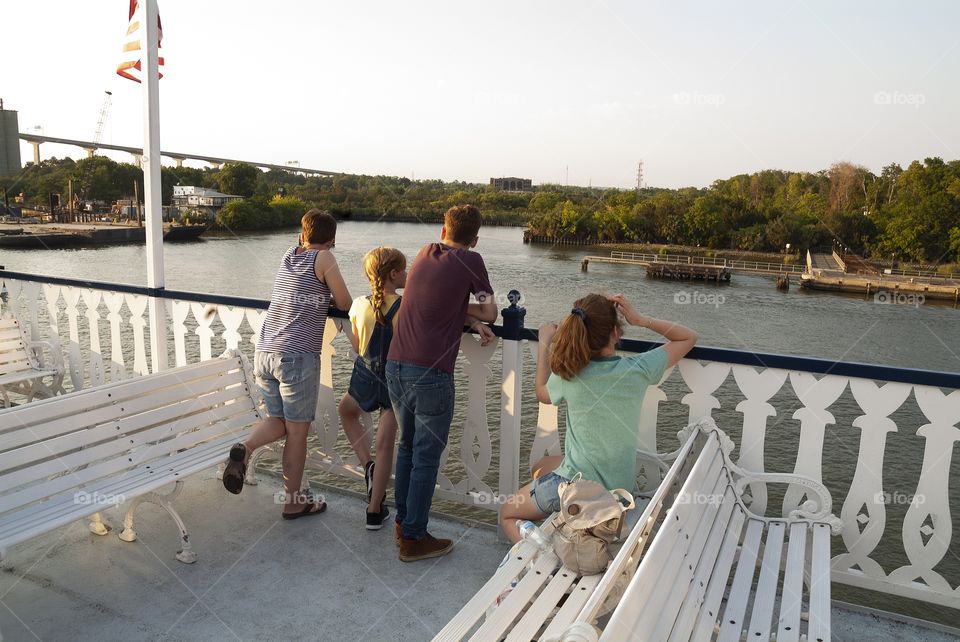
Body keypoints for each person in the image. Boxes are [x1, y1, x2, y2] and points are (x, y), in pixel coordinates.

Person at [498, 293, 698, 543]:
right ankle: (566, 528)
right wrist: (639, 319)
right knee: (540, 465)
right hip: (618, 490)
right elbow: (688, 337)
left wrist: (545, 344)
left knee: (507, 512)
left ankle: (537, 558)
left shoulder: (570, 374)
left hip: (576, 490)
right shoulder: (638, 369)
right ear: (615, 332)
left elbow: (541, 392)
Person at [222, 209, 351, 519]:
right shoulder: (325, 258)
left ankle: (245, 448)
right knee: (296, 433)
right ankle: (293, 502)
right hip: (296, 357)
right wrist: (327, 300)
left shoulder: (289, 255)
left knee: (279, 421)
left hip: (265, 351)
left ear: (301, 235)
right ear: (330, 241)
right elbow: (345, 303)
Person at [386, 204, 497, 562]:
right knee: (426, 458)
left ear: (442, 229)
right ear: (475, 238)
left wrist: (460, 313)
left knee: (407, 448)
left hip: (396, 365)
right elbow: (492, 311)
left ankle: (404, 523)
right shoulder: (472, 261)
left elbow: (434, 300)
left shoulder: (423, 252)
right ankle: (415, 538)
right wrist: (474, 316)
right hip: (430, 373)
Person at [338, 247, 407, 530]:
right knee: (385, 444)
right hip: (393, 380)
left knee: (345, 410)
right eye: (404, 270)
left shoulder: (358, 304)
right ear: (393, 275)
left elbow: (357, 346)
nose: (407, 274)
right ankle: (374, 509)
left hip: (365, 375)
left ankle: (368, 465)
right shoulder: (404, 307)